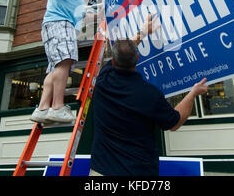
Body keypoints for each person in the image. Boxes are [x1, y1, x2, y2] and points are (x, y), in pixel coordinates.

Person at [89, 14, 209, 176]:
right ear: (138, 58)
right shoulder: (150, 95)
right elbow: (175, 122)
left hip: (101, 171)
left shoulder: (103, 78)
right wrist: (193, 93)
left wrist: (143, 32)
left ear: (114, 62)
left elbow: (124, 50)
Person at [30, 0, 100, 124]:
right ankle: (57, 107)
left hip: (55, 26)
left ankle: (41, 109)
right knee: (65, 62)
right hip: (59, 24)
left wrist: (100, 15)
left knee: (55, 68)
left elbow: (82, 17)